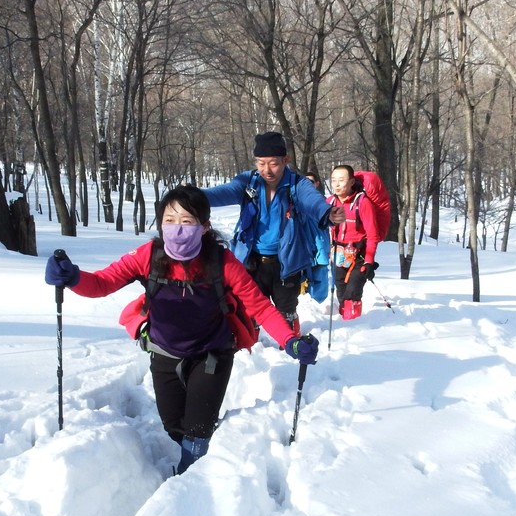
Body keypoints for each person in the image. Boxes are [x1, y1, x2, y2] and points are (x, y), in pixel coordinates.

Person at [44, 185, 319, 474]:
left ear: (204, 227)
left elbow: (260, 307)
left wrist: (290, 341)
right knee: (173, 424)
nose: (177, 228)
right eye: (169, 220)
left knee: (197, 429)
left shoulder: (221, 262)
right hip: (164, 351)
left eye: (187, 221)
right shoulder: (148, 255)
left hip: (212, 353)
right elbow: (102, 283)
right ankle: (196, 445)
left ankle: (190, 475)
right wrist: (72, 277)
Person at [203, 131, 345, 335]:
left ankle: (291, 346)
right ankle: (251, 346)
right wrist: (193, 195)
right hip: (252, 263)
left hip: (287, 264)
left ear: (285, 160)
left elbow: (312, 200)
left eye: (273, 163)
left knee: (286, 312)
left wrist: (328, 212)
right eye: (261, 163)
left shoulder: (297, 185)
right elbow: (222, 193)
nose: (267, 170)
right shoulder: (249, 182)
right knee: (249, 312)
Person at [327, 164, 381, 320]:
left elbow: (373, 234)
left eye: (341, 180)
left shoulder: (362, 203)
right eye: (333, 180)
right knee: (341, 291)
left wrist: (369, 261)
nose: (337, 184)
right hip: (338, 254)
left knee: (353, 292)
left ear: (351, 182)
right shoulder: (329, 202)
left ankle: (353, 324)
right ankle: (343, 320)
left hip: (359, 255)